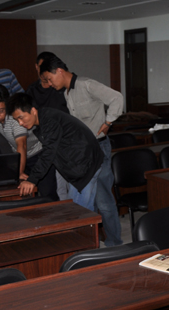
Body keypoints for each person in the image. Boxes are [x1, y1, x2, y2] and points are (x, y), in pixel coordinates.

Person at [39, 56, 124, 247]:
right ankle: (90, 243)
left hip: (99, 147)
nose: (50, 84)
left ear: (59, 71)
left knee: (103, 201)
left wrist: (108, 122)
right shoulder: (67, 93)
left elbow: (117, 98)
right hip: (82, 152)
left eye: (50, 79)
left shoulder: (86, 85)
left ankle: (114, 243)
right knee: (86, 200)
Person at [7, 93, 104, 213]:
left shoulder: (49, 121)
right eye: (17, 120)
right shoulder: (44, 118)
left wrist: (32, 179)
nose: (20, 123)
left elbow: (49, 152)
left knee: (78, 213)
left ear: (33, 110)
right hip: (86, 163)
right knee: (85, 212)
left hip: (85, 166)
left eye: (21, 118)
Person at [0, 85, 58, 201]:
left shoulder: (15, 118)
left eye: (1, 111)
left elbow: (22, 145)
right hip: (20, 158)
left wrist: (19, 173)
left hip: (39, 156)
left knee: (47, 194)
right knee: (25, 197)